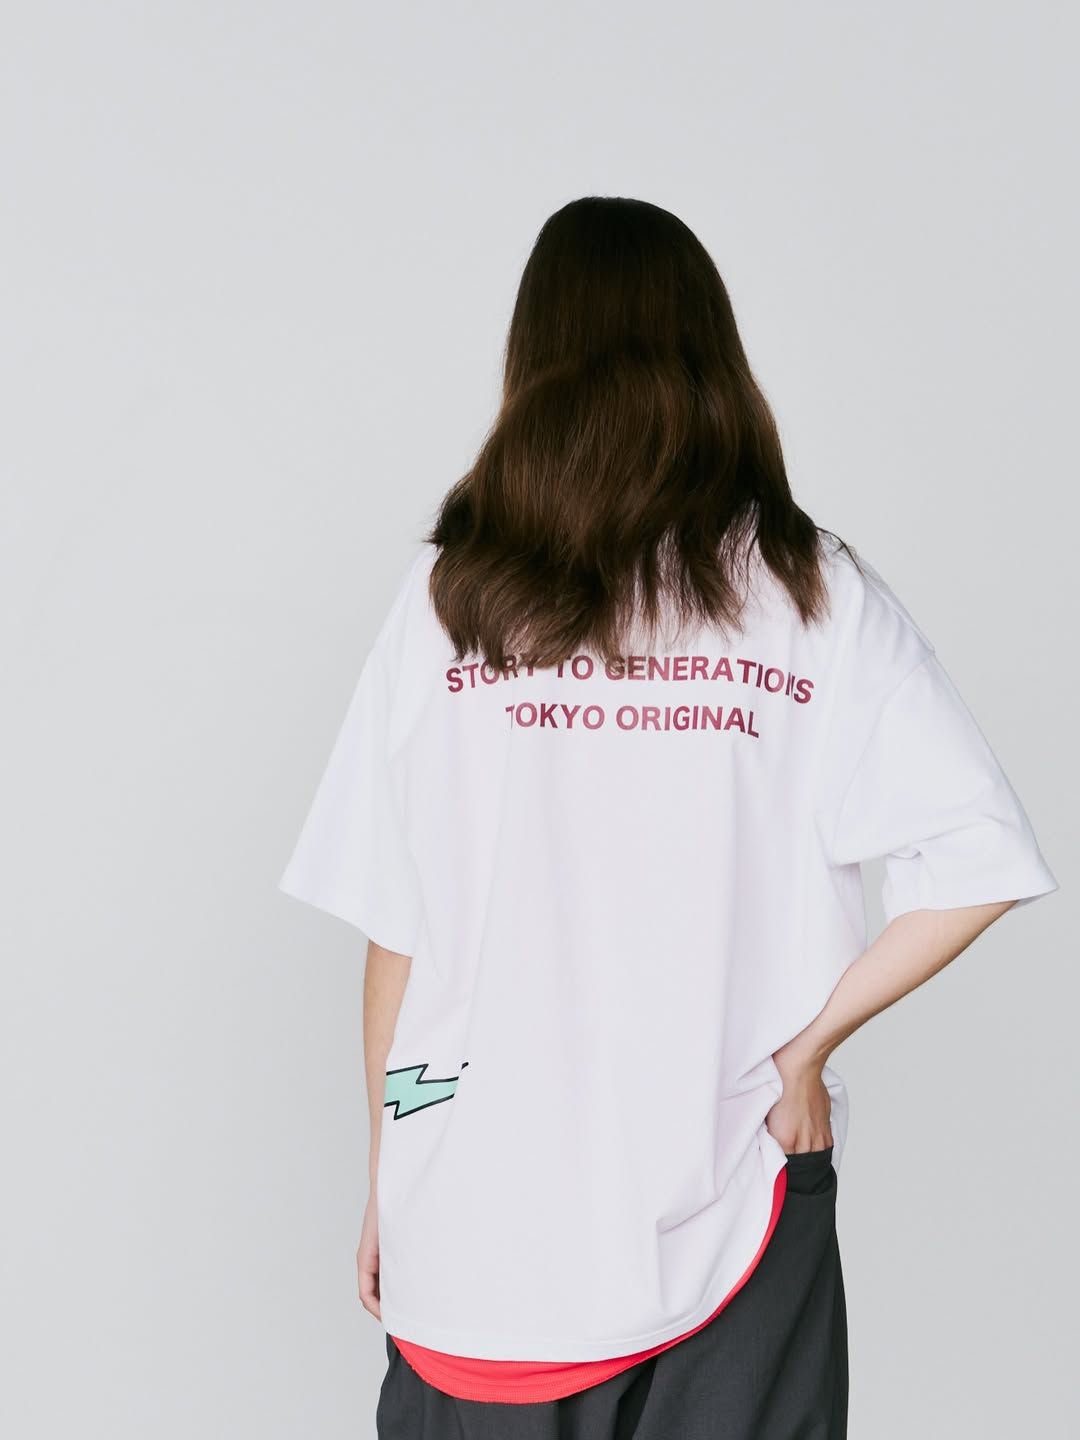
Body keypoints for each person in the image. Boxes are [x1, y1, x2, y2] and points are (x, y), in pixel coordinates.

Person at [279, 196, 1059, 1439]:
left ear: (533, 360)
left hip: (476, 1217)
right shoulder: (807, 592)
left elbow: (397, 928)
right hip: (730, 1201)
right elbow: (980, 859)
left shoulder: (451, 596)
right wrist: (801, 1054)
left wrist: (393, 1169)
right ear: (712, 353)